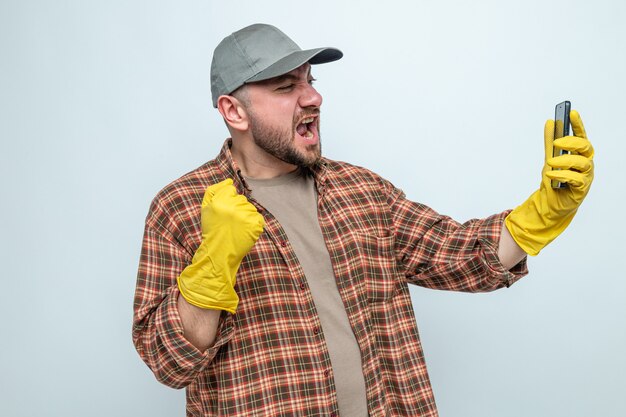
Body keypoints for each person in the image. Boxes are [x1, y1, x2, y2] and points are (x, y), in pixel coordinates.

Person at [132, 23, 594, 417]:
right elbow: (168, 361)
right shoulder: (180, 207)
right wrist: (212, 266)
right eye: (286, 87)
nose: (313, 96)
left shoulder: (363, 191)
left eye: (309, 80)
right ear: (234, 112)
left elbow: (459, 254)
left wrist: (545, 212)